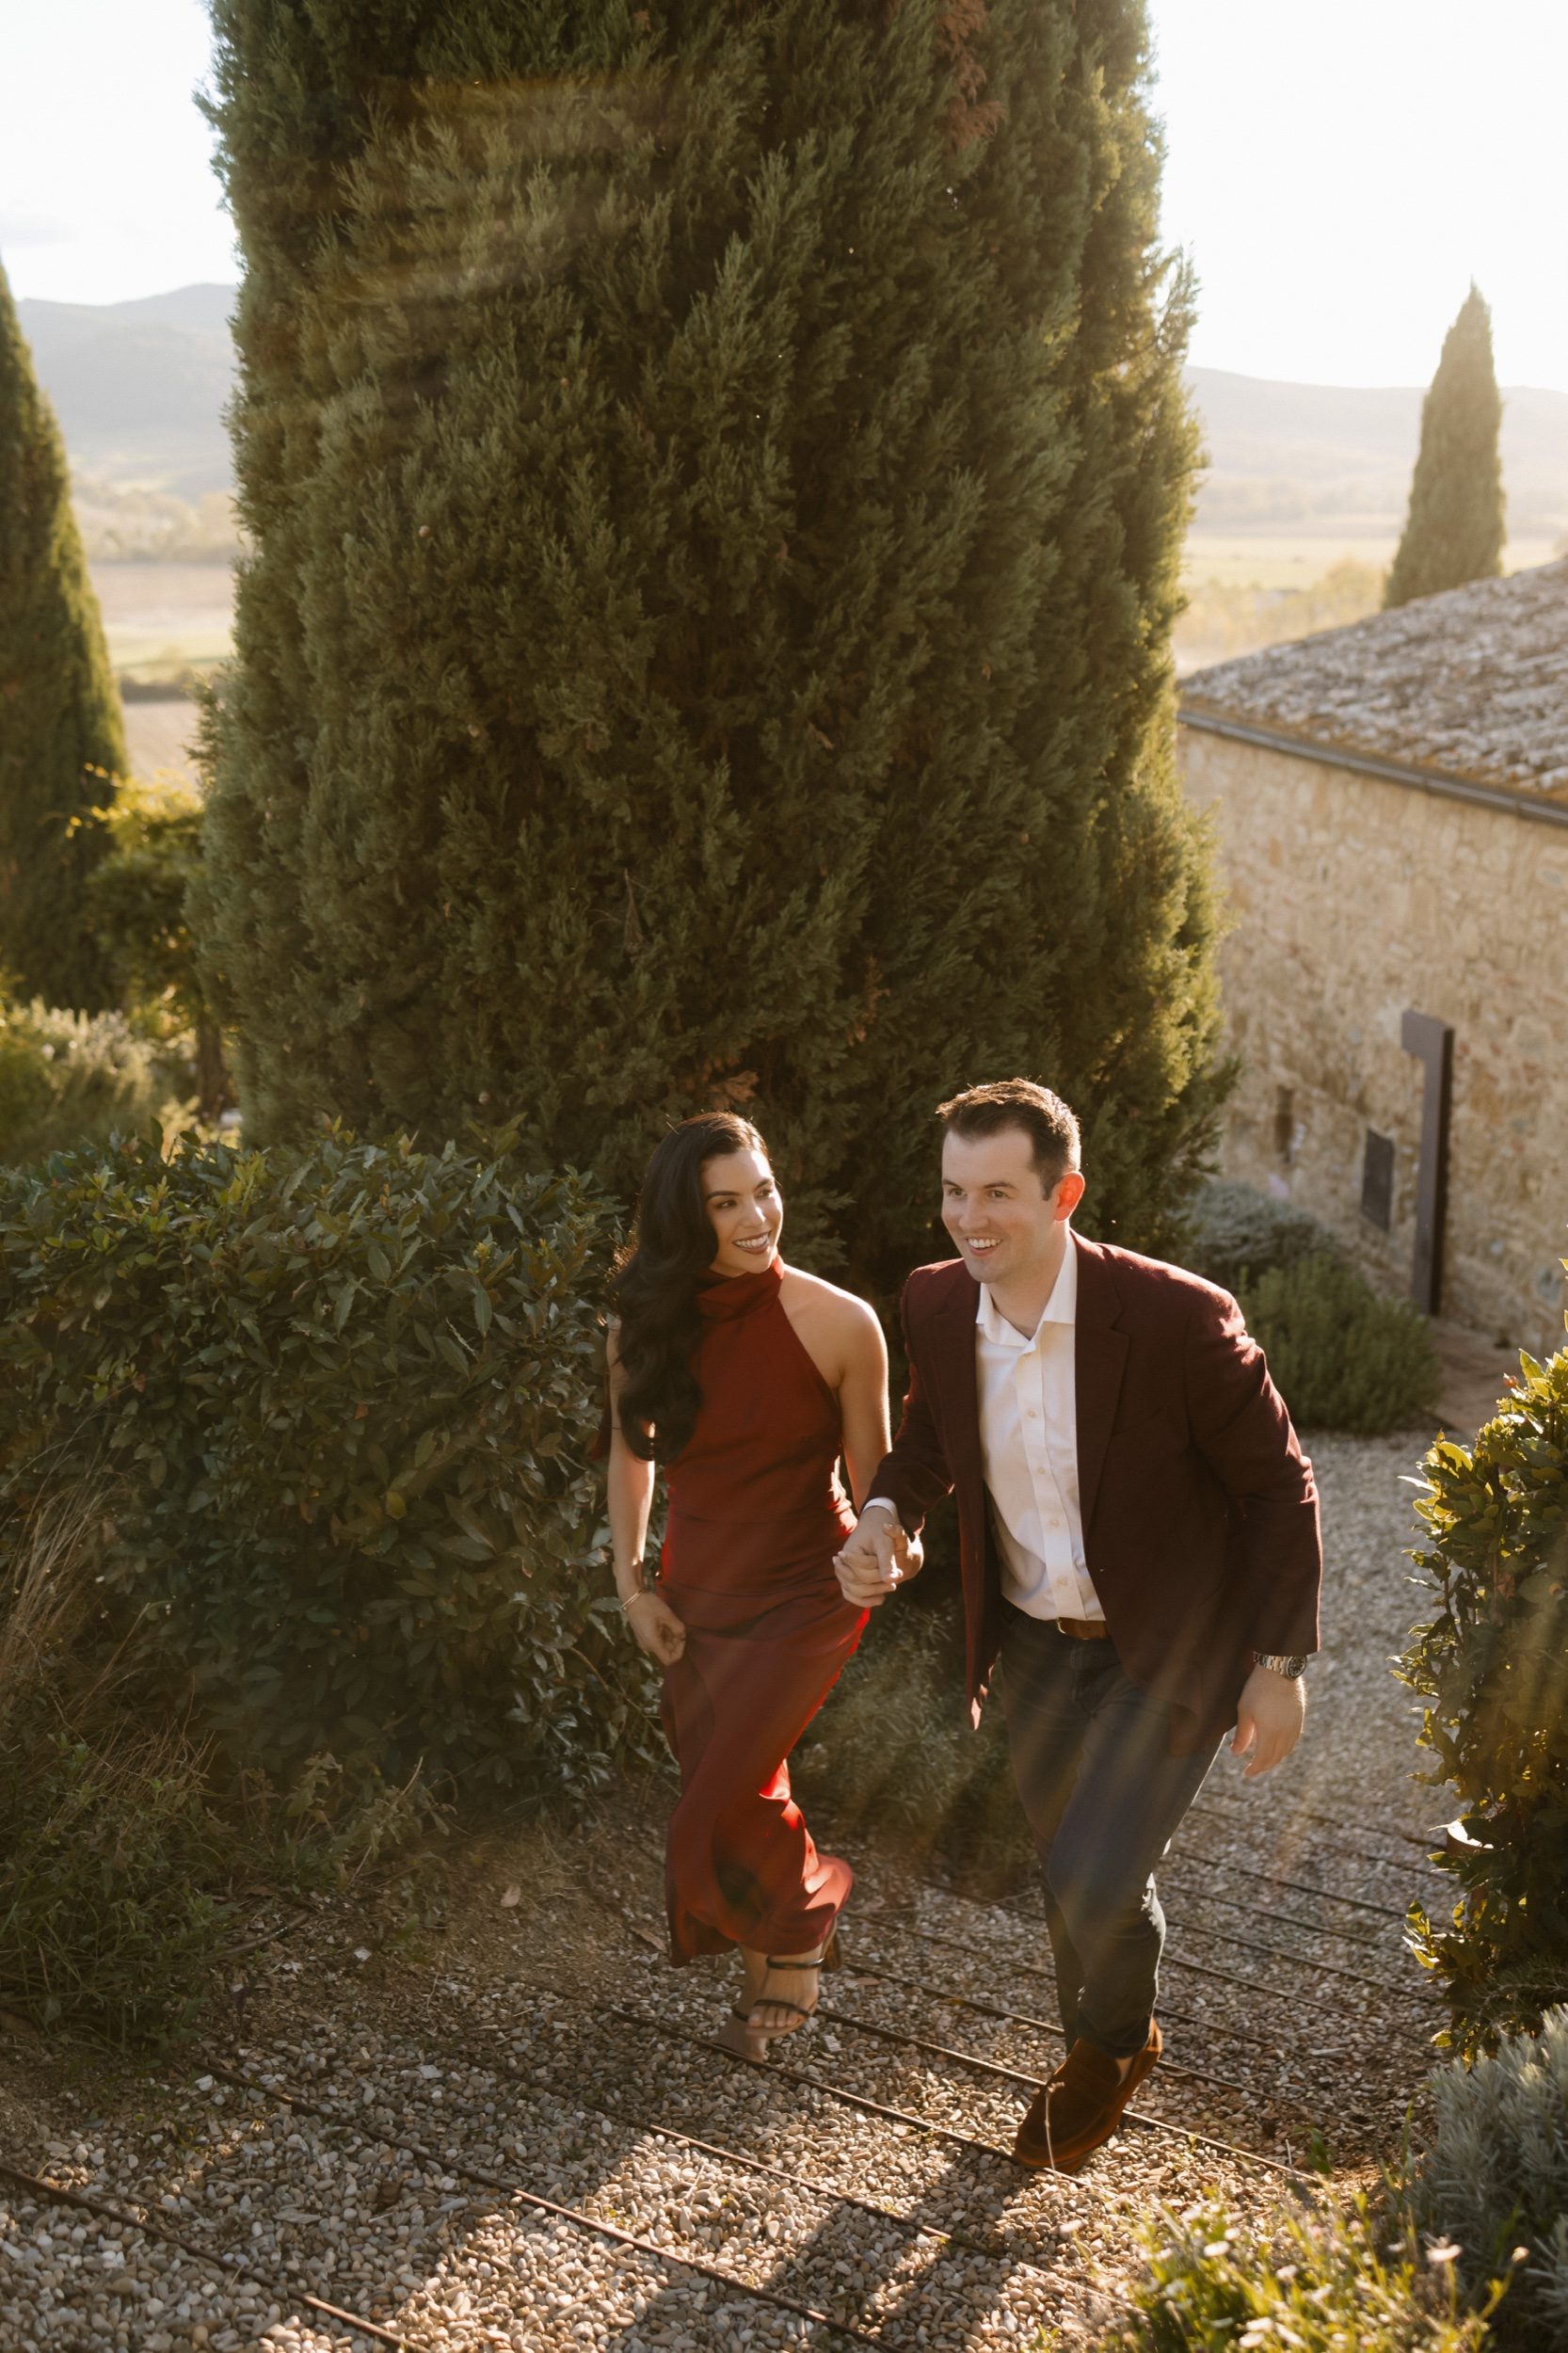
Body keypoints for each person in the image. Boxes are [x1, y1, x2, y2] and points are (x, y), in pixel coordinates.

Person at [834, 1079, 1320, 2173]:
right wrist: (883, 1513)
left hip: (1173, 1647)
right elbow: (927, 1438)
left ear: (1065, 1195)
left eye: (997, 1191)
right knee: (1069, 1868)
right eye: (955, 1193)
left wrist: (1279, 1664)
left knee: (1097, 1872)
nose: (971, 1219)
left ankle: (1110, 2048)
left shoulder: (1175, 1319)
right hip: (1033, 1645)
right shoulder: (931, 1301)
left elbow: (1279, 1486)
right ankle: (1088, 2051)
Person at [605, 1111, 897, 2060]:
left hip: (808, 1594)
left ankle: (805, 1923)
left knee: (720, 1790)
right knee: (732, 1780)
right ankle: (765, 1972)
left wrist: (892, 1555)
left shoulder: (843, 1323)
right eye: (724, 1204)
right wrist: (634, 1585)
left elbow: (883, 1497)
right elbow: (629, 1456)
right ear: (685, 1219)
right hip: (696, 1592)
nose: (755, 1216)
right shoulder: (644, 1321)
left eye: (762, 1191)